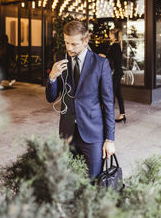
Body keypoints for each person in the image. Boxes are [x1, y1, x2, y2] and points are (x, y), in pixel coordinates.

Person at [46, 21, 115, 180]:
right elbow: (51, 98)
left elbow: (108, 104)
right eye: (67, 43)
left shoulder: (100, 64)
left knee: (92, 181)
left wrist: (109, 139)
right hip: (67, 132)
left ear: (86, 41)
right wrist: (52, 77)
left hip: (92, 134)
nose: (69, 48)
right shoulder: (60, 60)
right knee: (69, 179)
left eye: (74, 44)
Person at [99, 28, 126, 123]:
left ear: (113, 35)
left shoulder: (115, 46)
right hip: (118, 72)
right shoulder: (117, 45)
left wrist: (103, 56)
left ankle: (107, 117)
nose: (109, 36)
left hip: (115, 73)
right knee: (118, 94)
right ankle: (122, 114)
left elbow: (110, 58)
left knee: (110, 95)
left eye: (110, 34)